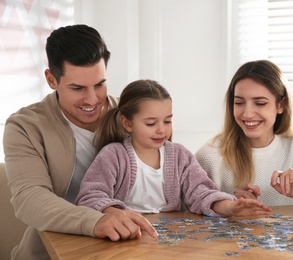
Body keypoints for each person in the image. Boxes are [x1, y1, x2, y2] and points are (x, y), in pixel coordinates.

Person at [3, 25, 157, 260]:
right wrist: (97, 221)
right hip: (49, 255)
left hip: (128, 250)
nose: (92, 99)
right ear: (51, 79)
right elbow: (30, 198)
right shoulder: (25, 126)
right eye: (77, 88)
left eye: (99, 84)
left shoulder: (132, 116)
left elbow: (170, 174)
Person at [76, 79, 272, 220]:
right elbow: (90, 197)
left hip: (171, 238)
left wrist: (231, 207)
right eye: (151, 123)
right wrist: (118, 214)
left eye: (167, 121)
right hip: (123, 236)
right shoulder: (113, 155)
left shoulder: (179, 156)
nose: (162, 129)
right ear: (127, 123)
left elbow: (202, 192)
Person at [195, 60, 293, 213]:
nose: (248, 113)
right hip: (229, 243)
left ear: (281, 105)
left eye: (260, 103)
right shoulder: (210, 155)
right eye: (239, 102)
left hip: (286, 243)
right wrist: (227, 204)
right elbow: (188, 205)